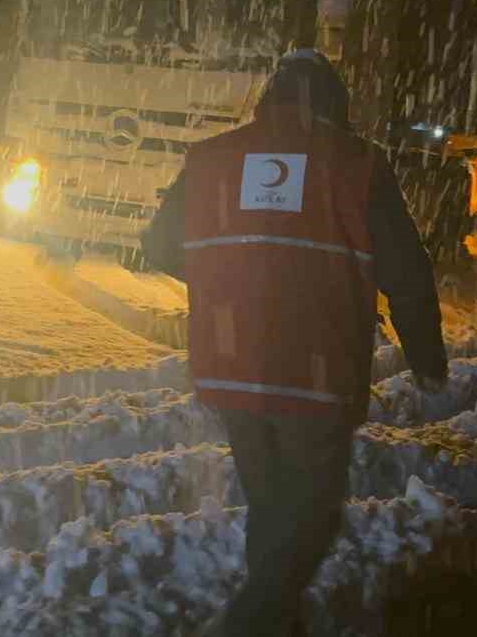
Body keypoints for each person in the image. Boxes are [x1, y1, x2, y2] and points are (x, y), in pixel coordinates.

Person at [140, 48, 448, 637]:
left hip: (230, 365)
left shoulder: (213, 160)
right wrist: (426, 358)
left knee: (272, 503)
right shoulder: (355, 165)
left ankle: (276, 621)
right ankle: (250, 621)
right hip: (316, 369)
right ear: (336, 106)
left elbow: (158, 245)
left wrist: (235, 282)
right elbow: (407, 270)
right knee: (311, 514)